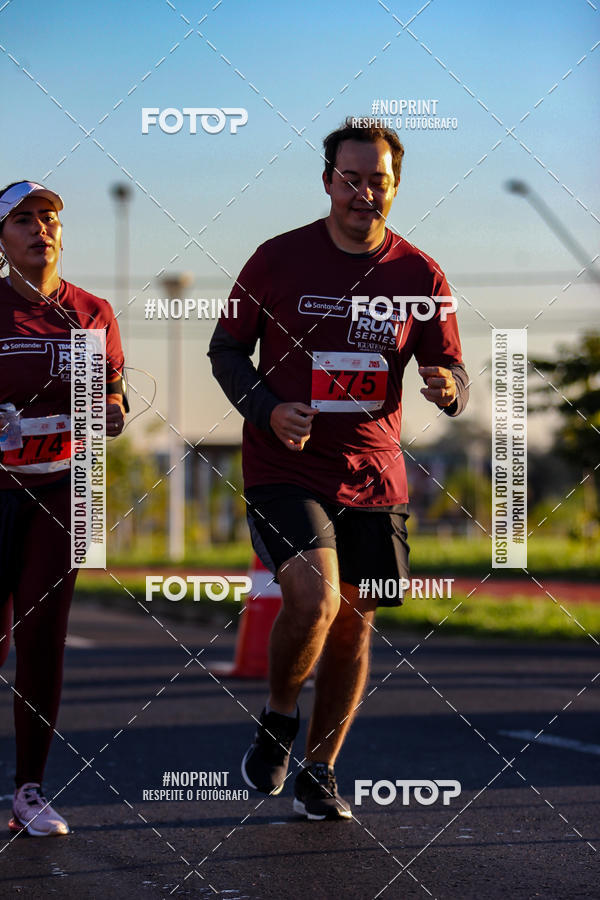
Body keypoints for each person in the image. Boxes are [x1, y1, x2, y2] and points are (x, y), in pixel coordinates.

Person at [208, 119, 469, 820]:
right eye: (350, 179)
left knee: (356, 622)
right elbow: (226, 350)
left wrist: (450, 388)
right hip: (285, 466)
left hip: (376, 477)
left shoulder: (420, 274)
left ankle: (319, 770)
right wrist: (267, 408)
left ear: (396, 184)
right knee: (318, 600)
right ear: (327, 181)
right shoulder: (276, 259)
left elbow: (451, 368)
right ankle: (279, 715)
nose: (363, 193)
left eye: (377, 179)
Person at [0, 181, 126, 835]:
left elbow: (115, 397)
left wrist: (109, 412)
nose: (39, 228)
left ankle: (29, 792)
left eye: (49, 217)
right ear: (2, 237)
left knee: (42, 642)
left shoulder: (92, 311)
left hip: (59, 494)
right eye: (23, 219)